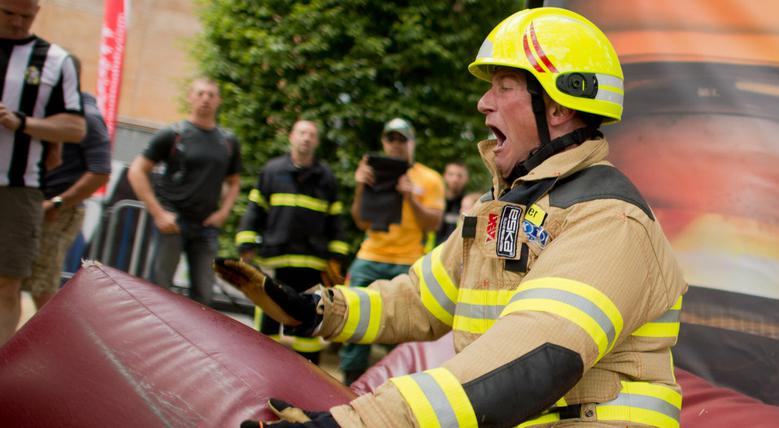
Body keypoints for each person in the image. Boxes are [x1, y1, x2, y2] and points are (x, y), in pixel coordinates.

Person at [216, 7, 686, 427]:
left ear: (559, 106)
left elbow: (532, 358)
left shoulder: (611, 221)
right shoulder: (505, 209)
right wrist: (321, 311)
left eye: (503, 87)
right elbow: (421, 299)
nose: (484, 103)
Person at [0, 0, 86, 345]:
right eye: (9, 13)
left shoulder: (55, 60)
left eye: (27, 15)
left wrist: (21, 122)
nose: (18, 22)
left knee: (7, 282)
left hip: (18, 190)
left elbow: (75, 127)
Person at [235, 119, 348, 364]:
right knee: (269, 317)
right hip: (276, 260)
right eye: (302, 133)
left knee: (308, 319)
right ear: (291, 137)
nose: (306, 138)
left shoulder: (326, 178)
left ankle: (307, 372)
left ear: (316, 141)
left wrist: (337, 257)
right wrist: (246, 244)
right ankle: (263, 366)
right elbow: (255, 210)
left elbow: (335, 220)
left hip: (310, 264)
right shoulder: (272, 171)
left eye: (311, 134)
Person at [341, 117, 445, 383]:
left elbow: (433, 222)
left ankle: (398, 393)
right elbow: (360, 220)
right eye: (391, 139)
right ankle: (348, 387)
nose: (396, 144)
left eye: (402, 139)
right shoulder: (372, 172)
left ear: (412, 143)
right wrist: (360, 186)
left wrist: (410, 197)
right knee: (354, 323)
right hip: (369, 258)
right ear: (384, 142)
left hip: (408, 262)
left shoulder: (428, 178)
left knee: (403, 332)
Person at [127, 77, 241, 306]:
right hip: (173, 222)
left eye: (211, 95)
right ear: (190, 97)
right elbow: (137, 170)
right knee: (159, 290)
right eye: (200, 94)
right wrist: (158, 213)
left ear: (218, 100)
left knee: (204, 295)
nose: (205, 99)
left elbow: (234, 181)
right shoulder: (174, 133)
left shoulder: (228, 141)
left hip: (207, 227)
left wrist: (223, 213)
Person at [22, 55, 111, 311]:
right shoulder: (45, 109)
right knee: (14, 280)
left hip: (56, 212)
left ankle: (55, 344)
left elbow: (100, 171)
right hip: (29, 205)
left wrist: (57, 204)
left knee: (42, 286)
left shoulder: (87, 117)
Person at [434, 161, 469, 245]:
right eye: (451, 174)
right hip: (430, 254)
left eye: (459, 176)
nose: (455, 179)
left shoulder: (469, 205)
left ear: (466, 179)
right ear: (444, 176)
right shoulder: (434, 201)